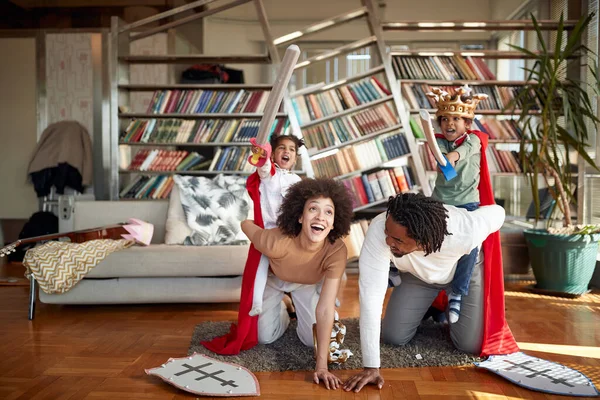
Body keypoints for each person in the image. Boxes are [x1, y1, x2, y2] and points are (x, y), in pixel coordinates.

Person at [343, 193, 519, 393]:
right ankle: (432, 307)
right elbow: (370, 296)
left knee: (469, 345)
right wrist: (371, 366)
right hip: (419, 277)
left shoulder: (464, 228)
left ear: (423, 241)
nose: (387, 241)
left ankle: (440, 305)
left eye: (397, 239)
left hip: (463, 274)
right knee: (394, 336)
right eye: (387, 232)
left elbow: (498, 212)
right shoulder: (379, 232)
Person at [203, 178, 354, 390]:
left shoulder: (336, 251)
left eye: (328, 212)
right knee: (265, 337)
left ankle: (295, 307)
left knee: (312, 341)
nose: (321, 216)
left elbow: (326, 308)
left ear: (334, 221)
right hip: (276, 281)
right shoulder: (276, 242)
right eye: (313, 209)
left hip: (307, 285)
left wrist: (321, 366)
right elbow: (246, 224)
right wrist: (260, 222)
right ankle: (285, 307)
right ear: (300, 216)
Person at [427, 84, 489, 323]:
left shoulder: (474, 140)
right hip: (439, 203)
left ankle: (457, 293)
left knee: (470, 243)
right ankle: (397, 267)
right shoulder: (440, 142)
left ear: (467, 124)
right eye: (444, 119)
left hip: (467, 205)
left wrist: (449, 157)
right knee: (414, 224)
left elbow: (456, 156)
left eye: (455, 119)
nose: (449, 123)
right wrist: (439, 151)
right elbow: (441, 155)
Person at [246, 134, 304, 316]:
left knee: (308, 257)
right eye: (281, 148)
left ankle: (320, 291)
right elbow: (262, 166)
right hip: (268, 231)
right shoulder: (268, 175)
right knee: (261, 264)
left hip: (290, 232)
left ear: (295, 158)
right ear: (273, 155)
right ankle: (257, 303)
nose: (287, 151)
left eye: (292, 149)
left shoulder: (297, 181)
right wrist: (263, 152)